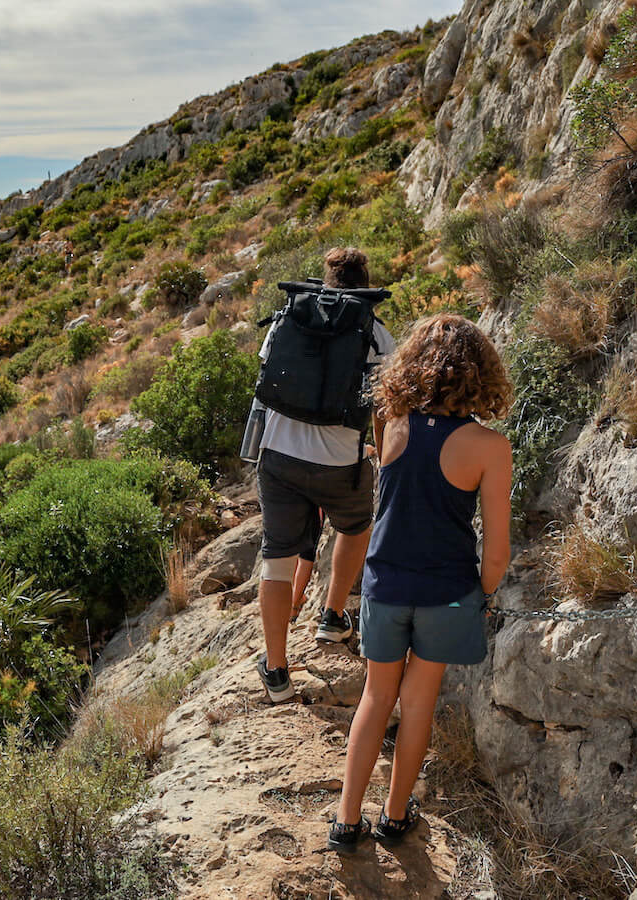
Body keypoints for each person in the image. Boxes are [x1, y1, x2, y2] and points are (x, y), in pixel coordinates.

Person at [327, 313, 514, 853]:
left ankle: (345, 822)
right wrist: (484, 594)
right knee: (417, 703)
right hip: (445, 593)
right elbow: (496, 552)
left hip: (385, 584)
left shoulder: (392, 421)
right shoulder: (490, 446)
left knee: (375, 696)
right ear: (479, 372)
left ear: (413, 364)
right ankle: (394, 816)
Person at [255, 247, 396, 703]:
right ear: (365, 283)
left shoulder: (287, 317)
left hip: (278, 457)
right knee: (355, 527)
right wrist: (380, 455)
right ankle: (332, 617)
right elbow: (382, 407)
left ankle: (277, 670)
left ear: (327, 281)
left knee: (276, 559)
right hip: (340, 463)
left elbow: (266, 380)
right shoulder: (375, 333)